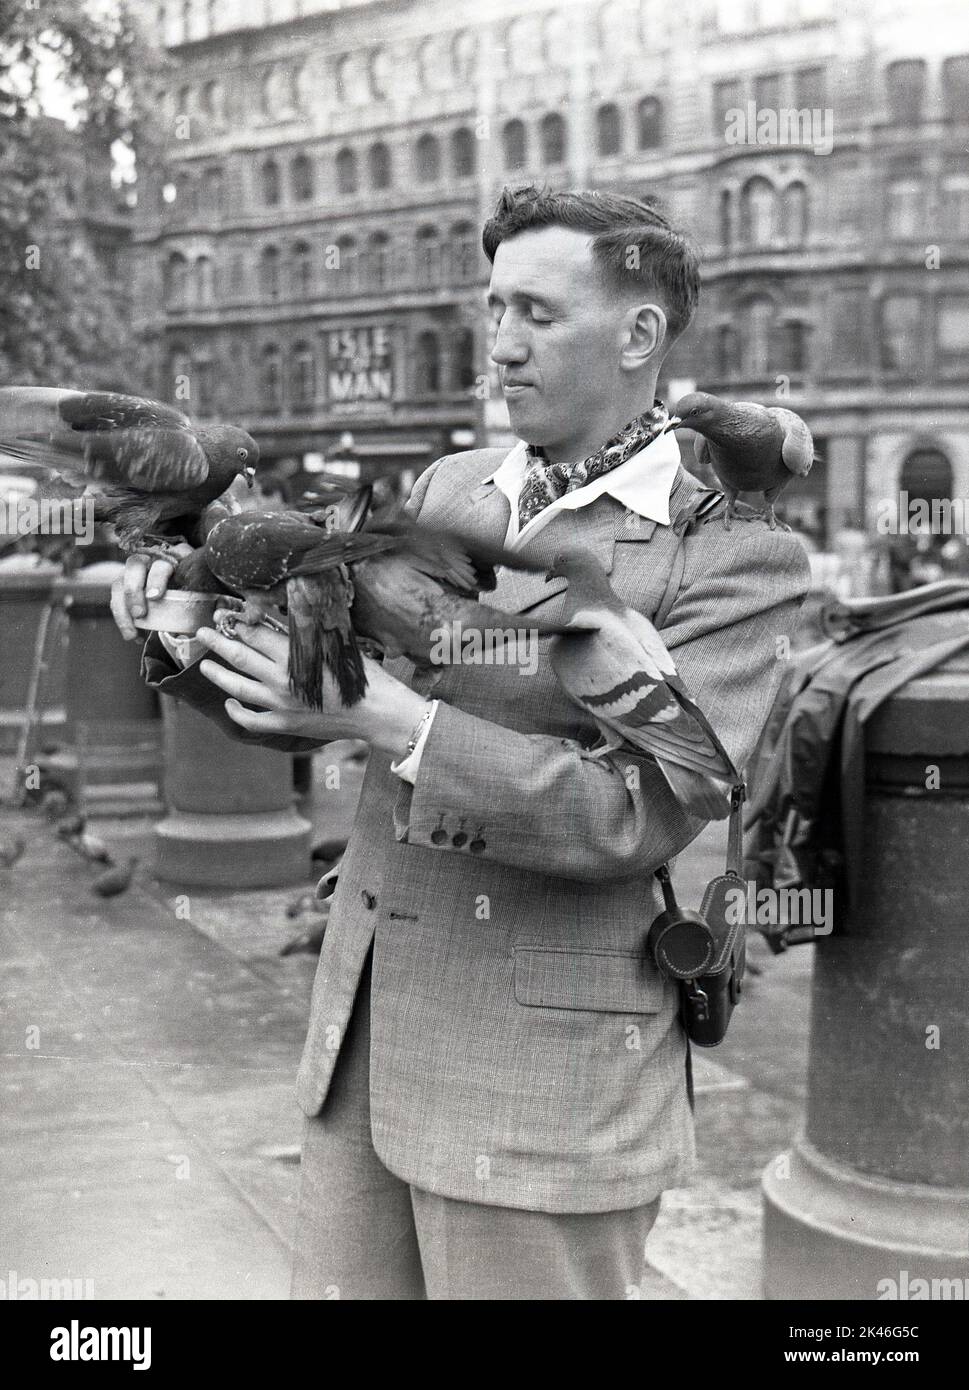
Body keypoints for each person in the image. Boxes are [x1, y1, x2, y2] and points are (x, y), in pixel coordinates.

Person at [111, 186, 811, 1300]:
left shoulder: (735, 557)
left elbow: (641, 814)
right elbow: (316, 696)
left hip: (543, 1078)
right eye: (493, 309)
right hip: (366, 1044)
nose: (499, 345)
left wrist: (392, 719)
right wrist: (182, 640)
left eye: (535, 312)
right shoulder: (446, 487)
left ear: (640, 335)